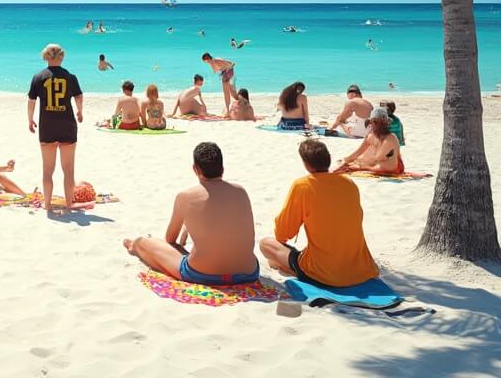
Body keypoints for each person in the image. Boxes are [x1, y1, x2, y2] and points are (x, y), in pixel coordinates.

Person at [123, 142, 259, 286]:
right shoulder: (240, 192)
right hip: (248, 273)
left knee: (143, 242)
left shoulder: (186, 197)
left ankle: (134, 245)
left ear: (195, 169)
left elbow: (170, 239)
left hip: (201, 274)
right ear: (222, 169)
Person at [259, 138, 379, 287]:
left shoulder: (303, 185)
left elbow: (283, 234)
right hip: (361, 268)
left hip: (325, 273)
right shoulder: (349, 184)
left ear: (306, 164)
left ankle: (294, 270)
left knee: (266, 245)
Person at [27, 44, 84, 211]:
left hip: (47, 126)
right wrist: (80, 112)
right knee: (68, 170)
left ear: (46, 57)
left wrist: (30, 120)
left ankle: (47, 204)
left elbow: (31, 102)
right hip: (67, 125)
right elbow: (79, 97)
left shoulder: (38, 77)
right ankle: (68, 204)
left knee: (47, 170)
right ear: (62, 57)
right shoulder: (70, 76)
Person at [334, 108, 405, 175]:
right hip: (376, 165)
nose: (383, 125)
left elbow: (377, 158)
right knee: (348, 162)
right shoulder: (371, 135)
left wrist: (360, 166)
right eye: (376, 122)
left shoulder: (390, 138)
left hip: (390, 169)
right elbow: (359, 151)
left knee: (354, 165)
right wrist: (346, 160)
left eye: (384, 123)